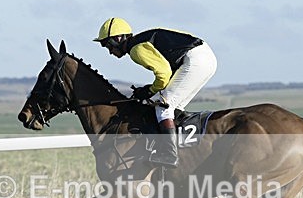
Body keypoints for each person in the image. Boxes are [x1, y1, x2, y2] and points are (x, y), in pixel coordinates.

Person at [93, 17, 217, 167]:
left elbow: (163, 74)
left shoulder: (136, 50)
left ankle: (169, 154)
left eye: (108, 45)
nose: (110, 52)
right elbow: (166, 72)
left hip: (196, 61)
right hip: (204, 58)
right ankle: (179, 148)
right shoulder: (140, 43)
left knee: (163, 107)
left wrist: (150, 90)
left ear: (118, 38)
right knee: (173, 107)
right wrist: (150, 91)